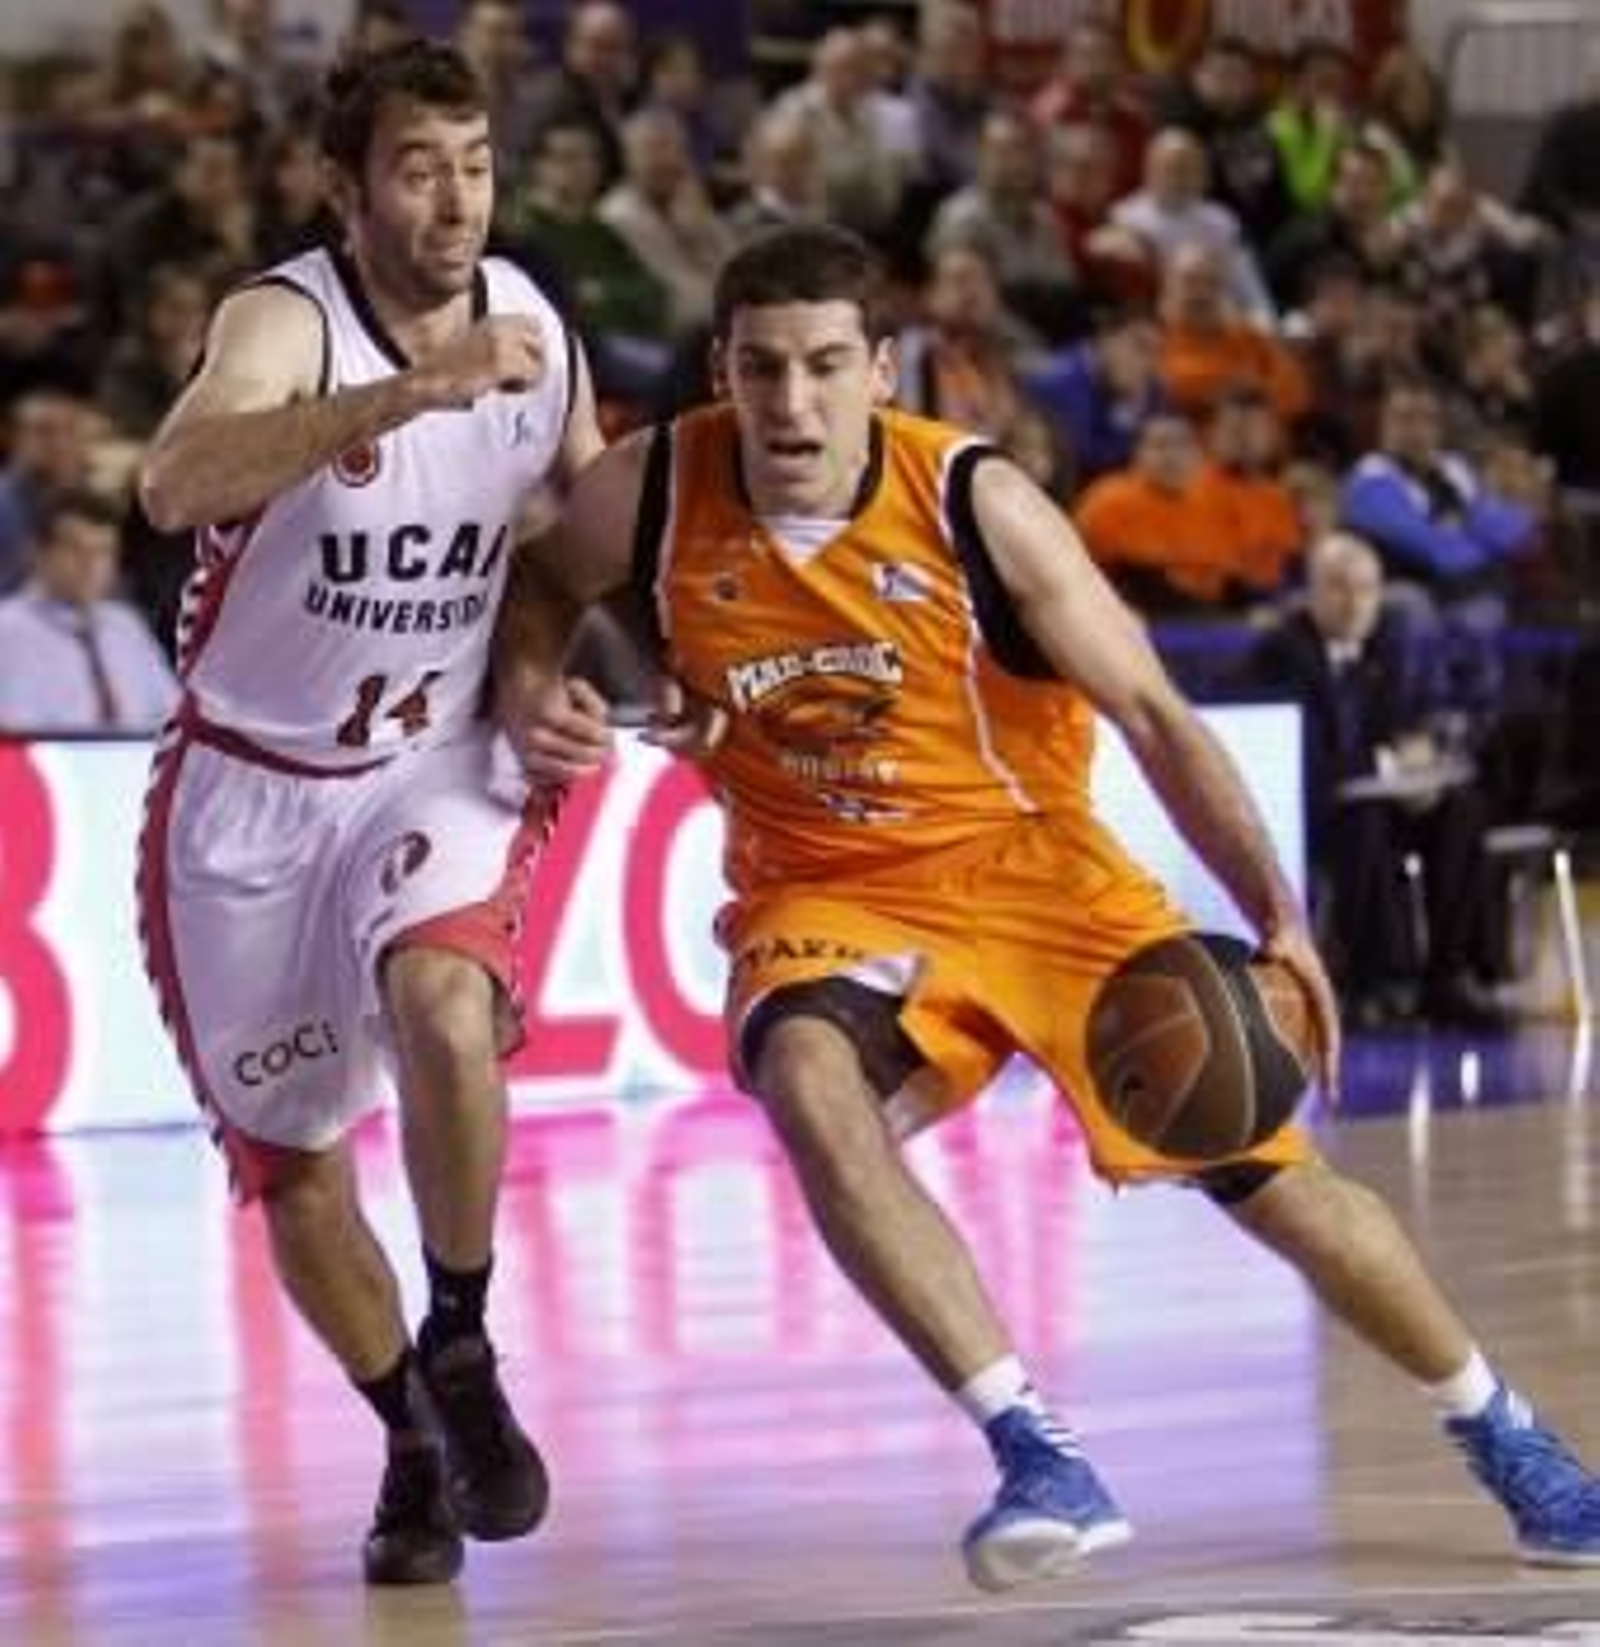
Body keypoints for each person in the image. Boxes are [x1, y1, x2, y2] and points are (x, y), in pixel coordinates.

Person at [505, 223, 1600, 1590]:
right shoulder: (654, 486)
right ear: (722, 369)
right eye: (762, 368)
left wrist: (1283, 918)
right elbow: (539, 581)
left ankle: (1508, 1432)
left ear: (883, 368)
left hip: (1037, 871)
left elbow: (1149, 707)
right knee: (804, 1075)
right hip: (825, 888)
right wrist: (535, 690)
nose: (791, 402)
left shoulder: (978, 502)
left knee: (1268, 1177)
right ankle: (1033, 1446)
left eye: (826, 365)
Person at [132, 39, 605, 1588]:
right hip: (247, 791)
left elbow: (583, 545)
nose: (456, 195)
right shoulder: (285, 317)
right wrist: (407, 394)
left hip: (431, 760)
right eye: (419, 165)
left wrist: (556, 670)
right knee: (302, 1168)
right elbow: (175, 480)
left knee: (441, 1002)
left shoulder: (536, 320)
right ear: (345, 188)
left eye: (473, 159)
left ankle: (461, 1335)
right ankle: (406, 1429)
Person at [1239, 533, 1507, 1029]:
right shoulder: (1281, 652)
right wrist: (1389, 764)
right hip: (1308, 813)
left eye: (1366, 589)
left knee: (1462, 810)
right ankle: (1376, 980)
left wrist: (1423, 763)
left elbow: (1416, 721)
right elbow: (1303, 759)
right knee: (1364, 824)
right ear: (1312, 590)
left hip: (1380, 801)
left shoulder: (1390, 643)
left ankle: (1449, 976)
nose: (1355, 602)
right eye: (1339, 587)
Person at [0, 489, 179, 734]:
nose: (91, 564)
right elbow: (12, 736)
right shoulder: (8, 631)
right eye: (76, 549)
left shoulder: (126, 625)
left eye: (104, 551)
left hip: (136, 765)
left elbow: (172, 714)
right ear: (37, 553)